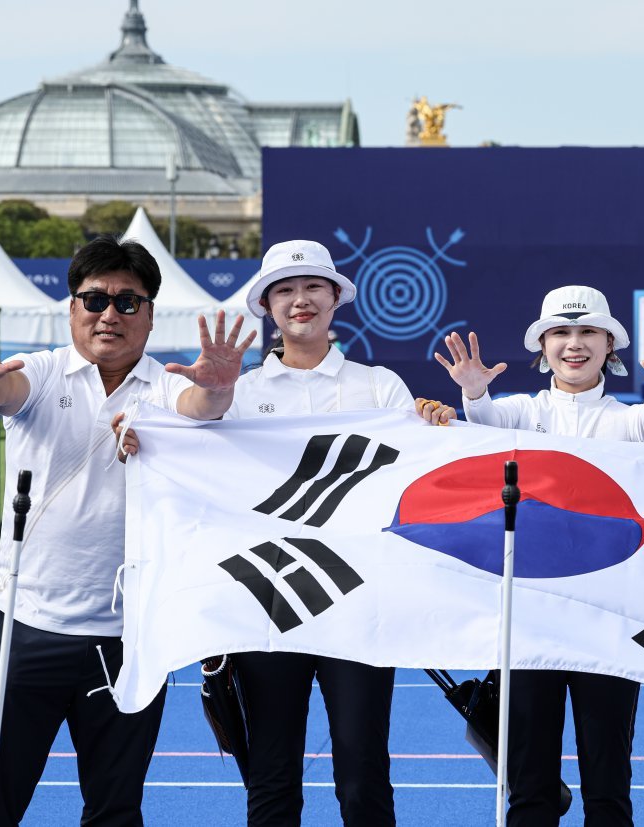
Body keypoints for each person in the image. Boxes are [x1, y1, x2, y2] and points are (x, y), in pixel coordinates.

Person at [116, 239, 450, 827]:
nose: (301, 300)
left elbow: (419, 476)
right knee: (271, 780)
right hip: (267, 603)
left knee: (363, 774)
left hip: (362, 605)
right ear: (268, 306)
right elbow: (189, 444)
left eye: (313, 287)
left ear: (335, 299)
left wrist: (440, 424)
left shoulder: (381, 387)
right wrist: (145, 432)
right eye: (286, 290)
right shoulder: (237, 393)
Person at [0, 236, 254, 826]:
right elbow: (0, 391)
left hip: (130, 635)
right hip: (28, 625)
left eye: (128, 303)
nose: (110, 315)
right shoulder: (44, 370)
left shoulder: (165, 386)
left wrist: (217, 386)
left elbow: (198, 408)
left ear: (151, 315)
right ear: (72, 308)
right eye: (95, 300)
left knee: (115, 808)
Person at [433, 285, 644, 826]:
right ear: (542, 346)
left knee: (608, 791)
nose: (574, 344)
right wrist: (470, 396)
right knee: (530, 791)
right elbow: (481, 428)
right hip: (527, 625)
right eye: (561, 332)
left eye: (588, 333)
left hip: (609, 623)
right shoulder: (514, 413)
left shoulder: (627, 421)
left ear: (611, 345)